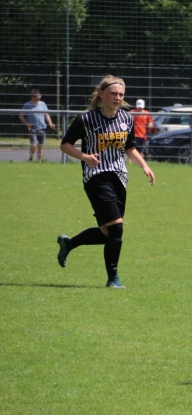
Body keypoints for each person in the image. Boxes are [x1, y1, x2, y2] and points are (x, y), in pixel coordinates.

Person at [56, 76, 156, 288]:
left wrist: (145, 166)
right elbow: (65, 145)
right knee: (116, 229)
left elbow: (129, 147)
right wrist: (85, 157)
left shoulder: (126, 118)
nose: (117, 97)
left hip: (119, 177)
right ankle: (113, 279)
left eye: (121, 94)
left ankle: (69, 243)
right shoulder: (86, 119)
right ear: (101, 94)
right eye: (113, 93)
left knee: (107, 233)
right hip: (95, 177)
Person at [19, 89, 56, 162]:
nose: (40, 97)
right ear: (33, 97)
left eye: (40, 96)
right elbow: (21, 116)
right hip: (32, 128)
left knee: (40, 146)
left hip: (42, 128)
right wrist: (27, 123)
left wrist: (50, 123)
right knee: (34, 144)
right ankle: (31, 157)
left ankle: (39, 161)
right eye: (38, 96)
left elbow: (46, 114)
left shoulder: (42, 104)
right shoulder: (27, 105)